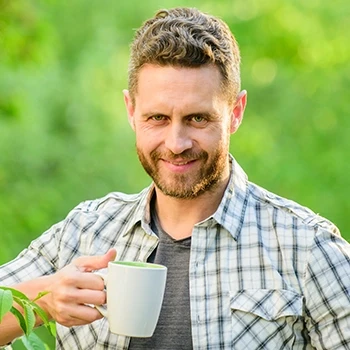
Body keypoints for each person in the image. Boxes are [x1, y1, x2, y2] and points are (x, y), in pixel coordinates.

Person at [0, 6, 349, 350]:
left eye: (197, 119)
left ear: (235, 113)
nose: (176, 144)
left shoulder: (306, 246)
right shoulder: (83, 233)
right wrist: (42, 301)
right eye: (158, 118)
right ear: (131, 111)